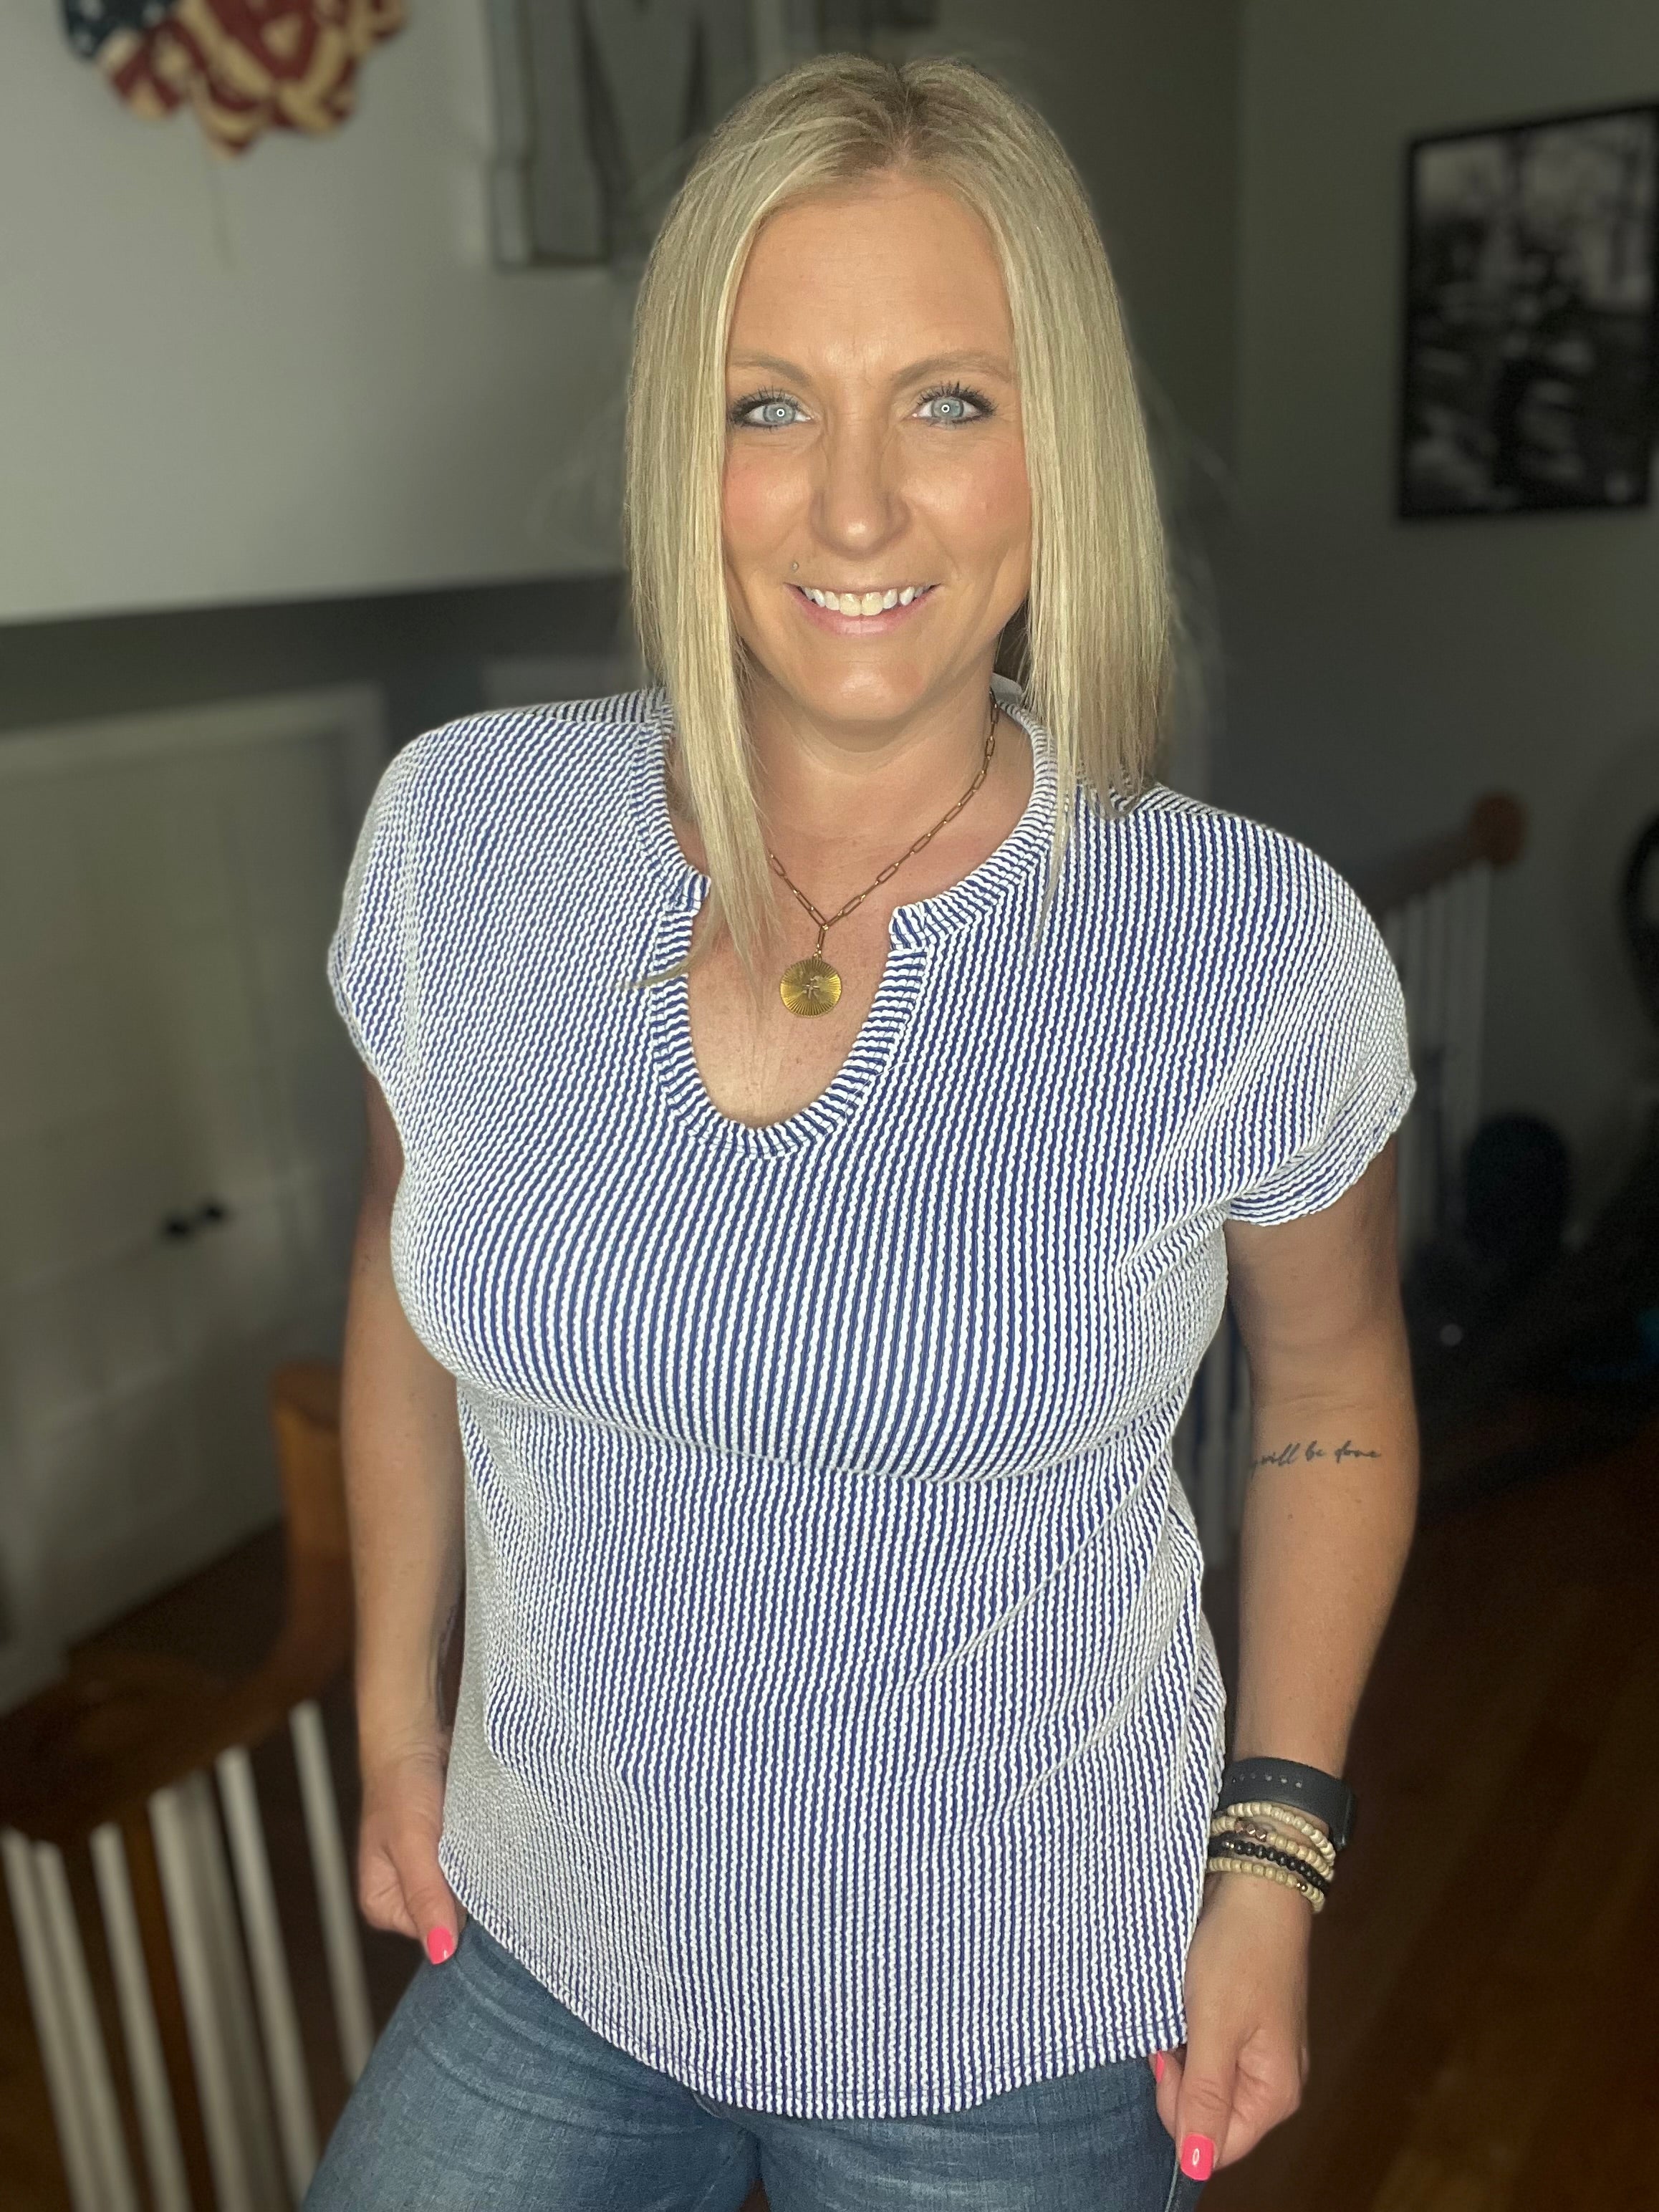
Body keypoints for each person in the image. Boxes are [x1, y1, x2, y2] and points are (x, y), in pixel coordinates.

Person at [305, 52, 1418, 2212]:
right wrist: (392, 1711)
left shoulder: (1248, 947)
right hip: (550, 1941)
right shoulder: (463, 842)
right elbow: (397, 1260)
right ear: (685, 450)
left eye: (947, 402)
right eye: (769, 406)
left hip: (1015, 2017)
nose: (851, 511)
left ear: (1056, 449)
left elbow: (1333, 1393)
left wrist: (1273, 1856)